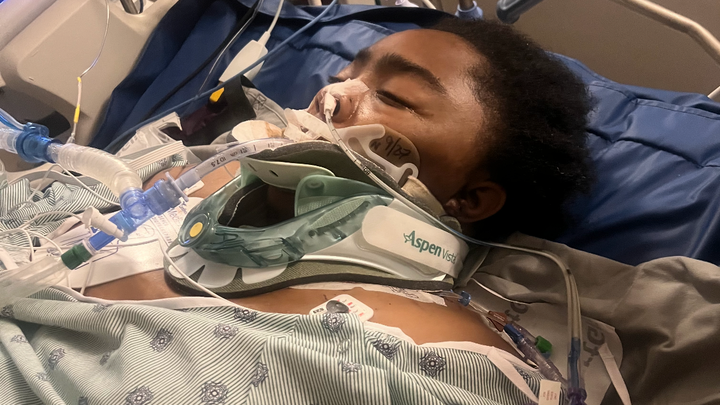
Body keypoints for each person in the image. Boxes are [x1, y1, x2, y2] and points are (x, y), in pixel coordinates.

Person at [9, 16, 715, 405]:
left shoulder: (437, 356)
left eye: (396, 97)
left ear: (469, 199)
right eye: (344, 76)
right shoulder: (168, 180)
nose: (332, 98)